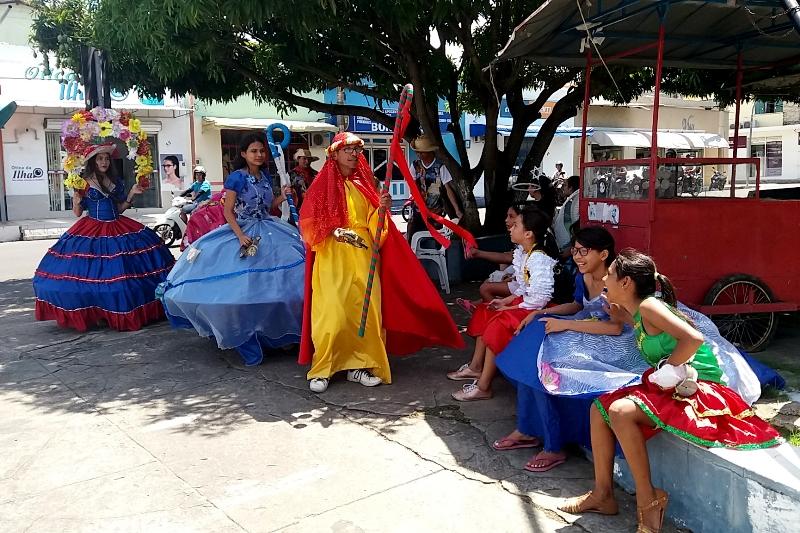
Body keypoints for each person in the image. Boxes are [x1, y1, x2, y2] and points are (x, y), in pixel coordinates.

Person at [558, 250, 780, 532]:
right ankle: (603, 494)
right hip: (673, 382)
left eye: (610, 274)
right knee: (599, 408)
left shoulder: (651, 306)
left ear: (626, 283)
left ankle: (648, 500)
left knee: (619, 411)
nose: (604, 278)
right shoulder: (640, 311)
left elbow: (694, 339)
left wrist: (668, 369)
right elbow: (650, 331)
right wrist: (623, 318)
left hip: (698, 387)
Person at [298, 131, 464, 393]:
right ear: (335, 153)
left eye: (357, 150)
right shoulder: (321, 185)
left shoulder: (367, 185)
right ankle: (323, 367)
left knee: (366, 313)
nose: (354, 155)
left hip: (364, 256)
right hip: (333, 257)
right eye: (348, 150)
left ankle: (360, 365)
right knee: (332, 313)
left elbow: (377, 227)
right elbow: (308, 224)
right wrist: (337, 231)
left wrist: (382, 208)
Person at [161, 133, 305, 366]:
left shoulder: (266, 176)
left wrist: (284, 197)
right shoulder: (237, 178)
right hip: (243, 230)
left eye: (261, 151)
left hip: (270, 228)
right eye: (254, 151)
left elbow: (267, 206)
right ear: (243, 154)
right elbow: (228, 211)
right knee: (242, 289)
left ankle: (275, 332)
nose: (259, 155)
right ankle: (245, 335)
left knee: (284, 284)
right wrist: (240, 236)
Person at [33, 144, 175, 331]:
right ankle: (98, 312)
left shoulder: (114, 181)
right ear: (93, 161)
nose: (104, 162)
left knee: (124, 276)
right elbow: (77, 213)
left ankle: (114, 311)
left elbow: (119, 209)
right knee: (92, 276)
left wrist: (132, 193)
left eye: (107, 159)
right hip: (92, 229)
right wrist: (75, 201)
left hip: (118, 226)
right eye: (100, 158)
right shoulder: (83, 182)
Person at [448, 207, 557, 401]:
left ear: (528, 234)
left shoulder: (539, 258)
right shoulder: (525, 253)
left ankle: (483, 386)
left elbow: (539, 299)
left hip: (536, 309)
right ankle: (476, 367)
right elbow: (523, 288)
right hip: (525, 303)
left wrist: (511, 307)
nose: (510, 228)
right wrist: (505, 300)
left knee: (499, 322)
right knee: (485, 309)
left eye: (515, 225)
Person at [406, 134, 463, 243]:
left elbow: (448, 189)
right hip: (418, 210)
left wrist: (457, 210)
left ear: (429, 152)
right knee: (413, 237)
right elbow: (412, 186)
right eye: (417, 152)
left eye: (422, 152)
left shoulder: (440, 166)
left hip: (436, 212)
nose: (418, 154)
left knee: (434, 240)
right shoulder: (414, 166)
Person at [553, 175, 580, 254]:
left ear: (571, 188)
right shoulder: (572, 199)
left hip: (568, 245)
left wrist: (570, 246)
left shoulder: (574, 201)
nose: (563, 188)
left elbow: (572, 223)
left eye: (565, 185)